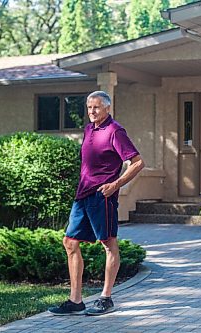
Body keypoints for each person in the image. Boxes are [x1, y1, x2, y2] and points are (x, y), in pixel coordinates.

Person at [48, 90, 145, 316]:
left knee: (108, 244)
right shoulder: (89, 129)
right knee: (70, 242)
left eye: (97, 107)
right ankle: (76, 301)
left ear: (107, 108)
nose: (92, 111)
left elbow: (137, 163)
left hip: (103, 195)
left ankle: (106, 297)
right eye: (89, 107)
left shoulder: (115, 131)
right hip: (83, 195)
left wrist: (115, 184)